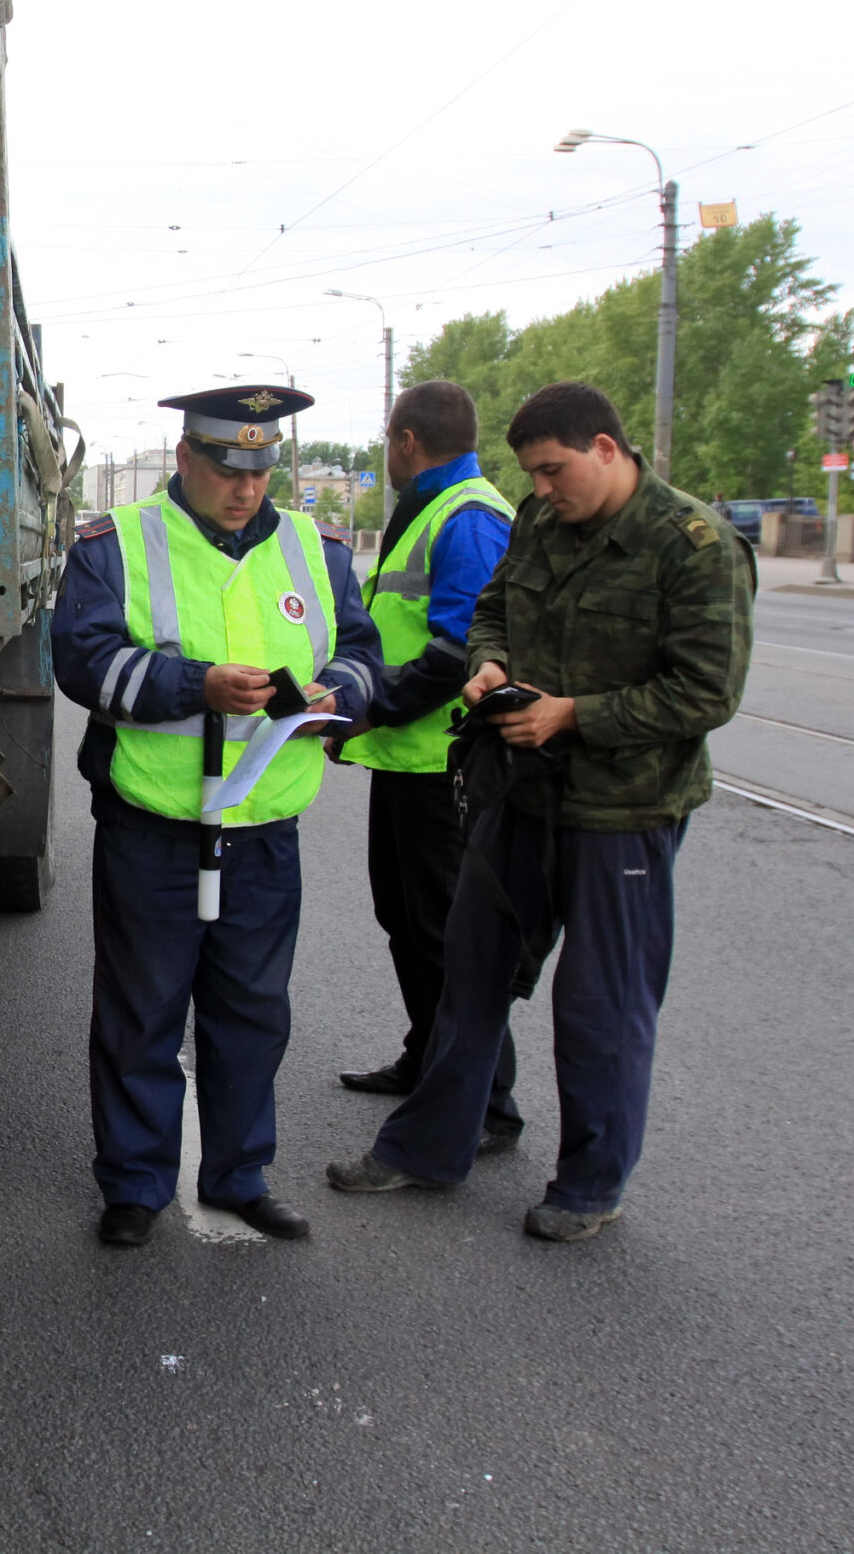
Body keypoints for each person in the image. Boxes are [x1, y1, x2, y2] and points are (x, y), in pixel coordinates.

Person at [327, 381, 754, 1242]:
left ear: (607, 447)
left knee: (602, 1007)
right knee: (468, 976)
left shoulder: (694, 545)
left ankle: (592, 1184)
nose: (544, 489)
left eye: (554, 470)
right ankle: (429, 1147)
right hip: (518, 795)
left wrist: (572, 713)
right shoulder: (538, 520)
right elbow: (490, 611)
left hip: (622, 815)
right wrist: (488, 665)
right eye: (534, 474)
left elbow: (706, 692)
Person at [54, 385, 382, 1248]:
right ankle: (133, 1183)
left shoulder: (319, 548)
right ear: (187, 459)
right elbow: (84, 661)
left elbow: (363, 657)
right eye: (230, 470)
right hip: (154, 824)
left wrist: (333, 697)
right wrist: (192, 684)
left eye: (263, 469)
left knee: (253, 1013)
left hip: (265, 828)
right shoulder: (116, 545)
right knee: (142, 1011)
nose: (248, 488)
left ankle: (240, 1175)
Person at [334, 382, 520, 1152]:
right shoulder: (434, 504)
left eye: (387, 438)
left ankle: (489, 1103)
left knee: (448, 934)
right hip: (409, 759)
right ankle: (428, 1058)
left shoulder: (468, 516)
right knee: (406, 922)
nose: (386, 451)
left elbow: (458, 652)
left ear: (407, 440)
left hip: (443, 759)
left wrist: (375, 706)